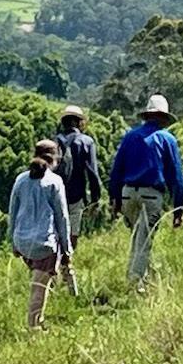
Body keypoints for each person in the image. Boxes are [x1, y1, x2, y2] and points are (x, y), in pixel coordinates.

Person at [108, 95, 183, 289]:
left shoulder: (130, 136)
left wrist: (114, 199)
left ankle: (144, 278)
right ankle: (135, 284)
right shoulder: (167, 139)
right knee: (144, 240)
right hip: (151, 195)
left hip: (127, 194)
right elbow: (176, 176)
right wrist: (179, 208)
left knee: (138, 237)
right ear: (163, 118)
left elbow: (117, 170)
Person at [8, 140, 73, 330]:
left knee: (40, 280)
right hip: (44, 242)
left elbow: (12, 212)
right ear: (55, 158)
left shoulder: (21, 179)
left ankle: (39, 320)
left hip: (22, 241)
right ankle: (34, 326)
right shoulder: (54, 181)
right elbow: (62, 217)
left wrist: (13, 242)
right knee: (39, 287)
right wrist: (67, 249)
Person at [51, 105, 102, 297]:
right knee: (72, 235)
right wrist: (95, 199)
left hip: (54, 197)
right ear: (79, 122)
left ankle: (53, 273)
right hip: (76, 196)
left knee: (54, 234)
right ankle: (67, 268)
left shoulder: (54, 142)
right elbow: (92, 173)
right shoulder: (86, 142)